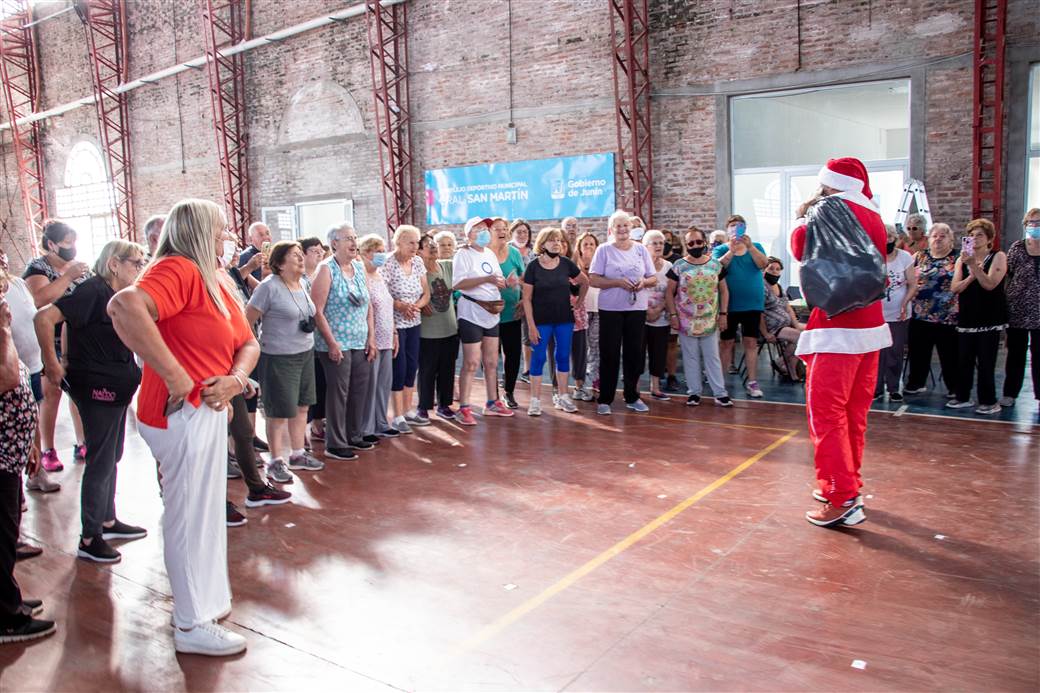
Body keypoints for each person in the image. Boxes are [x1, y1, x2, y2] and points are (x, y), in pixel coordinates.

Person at [108, 198, 259, 656]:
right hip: (182, 412)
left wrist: (235, 380)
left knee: (204, 513)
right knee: (189, 517)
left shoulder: (212, 277)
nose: (225, 237)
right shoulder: (179, 268)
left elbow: (247, 342)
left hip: (208, 409)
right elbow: (124, 306)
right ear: (197, 230)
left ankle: (206, 603)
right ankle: (192, 624)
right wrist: (177, 376)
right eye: (219, 229)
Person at [791, 157, 891, 528]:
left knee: (826, 413)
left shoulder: (827, 209)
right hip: (871, 326)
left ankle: (842, 496)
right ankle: (845, 482)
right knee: (854, 413)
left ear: (828, 183)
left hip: (836, 326)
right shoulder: (874, 215)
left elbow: (800, 248)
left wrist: (803, 216)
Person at [33, 240, 148, 563]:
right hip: (97, 386)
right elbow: (44, 318)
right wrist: (53, 363)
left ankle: (107, 520)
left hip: (116, 385)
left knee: (113, 453)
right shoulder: (93, 290)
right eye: (135, 262)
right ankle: (89, 537)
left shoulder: (117, 295)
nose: (139, 268)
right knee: (100, 459)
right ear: (113, 263)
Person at [0, 297, 55, 644]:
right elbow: (6, 378)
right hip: (0, 453)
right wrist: (4, 327)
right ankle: (6, 616)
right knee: (2, 534)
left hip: (10, 448)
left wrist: (29, 441)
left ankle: (10, 597)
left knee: (8, 529)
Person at [246, 241, 324, 477]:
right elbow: (245, 320)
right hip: (278, 358)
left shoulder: (302, 283)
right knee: (278, 411)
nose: (301, 258)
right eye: (294, 256)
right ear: (280, 263)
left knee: (302, 406)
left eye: (301, 254)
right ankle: (276, 461)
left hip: (304, 353)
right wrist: (254, 347)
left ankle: (298, 453)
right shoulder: (269, 287)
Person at [22, 220, 89, 472]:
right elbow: (38, 301)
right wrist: (68, 277)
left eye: (74, 243)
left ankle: (82, 442)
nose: (72, 248)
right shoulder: (37, 268)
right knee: (52, 394)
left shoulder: (79, 267)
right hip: (48, 341)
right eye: (67, 243)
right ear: (51, 244)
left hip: (76, 338)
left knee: (77, 392)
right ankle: (48, 450)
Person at [311, 224, 375, 458]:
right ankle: (335, 443)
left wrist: (372, 338)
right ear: (334, 243)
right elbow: (317, 310)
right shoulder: (326, 269)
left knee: (359, 390)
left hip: (360, 340)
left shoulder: (358, 267)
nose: (354, 242)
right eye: (348, 238)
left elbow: (368, 305)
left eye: (355, 237)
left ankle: (354, 435)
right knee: (339, 393)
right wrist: (331, 343)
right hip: (336, 342)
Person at [589, 210, 657, 414]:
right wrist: (617, 282)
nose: (622, 229)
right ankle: (605, 399)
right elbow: (593, 279)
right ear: (611, 229)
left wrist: (643, 282)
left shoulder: (641, 250)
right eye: (618, 225)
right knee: (609, 353)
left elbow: (653, 278)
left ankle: (632, 396)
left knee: (634, 354)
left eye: (625, 225)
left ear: (631, 227)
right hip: (610, 309)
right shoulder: (603, 250)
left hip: (636, 309)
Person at [0, 254, 55, 494]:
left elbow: (32, 316)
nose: (3, 261)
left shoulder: (17, 284)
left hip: (29, 365)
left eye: (3, 258)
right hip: (11, 369)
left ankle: (34, 472)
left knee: (32, 415)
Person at [452, 216, 514, 425]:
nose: (484, 232)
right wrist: (485, 279)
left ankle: (493, 402)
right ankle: (464, 407)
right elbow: (458, 283)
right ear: (469, 234)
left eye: (485, 228)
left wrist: (507, 283)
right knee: (471, 362)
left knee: (491, 361)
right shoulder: (463, 254)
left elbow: (497, 280)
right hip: (471, 311)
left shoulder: (489, 253)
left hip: (491, 312)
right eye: (478, 229)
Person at [666, 226, 732, 407]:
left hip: (710, 319)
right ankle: (694, 393)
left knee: (712, 356)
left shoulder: (715, 265)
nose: (695, 245)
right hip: (686, 320)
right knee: (690, 357)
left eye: (698, 242)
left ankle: (720, 392)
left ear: (704, 242)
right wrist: (673, 315)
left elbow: (724, 291)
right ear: (686, 245)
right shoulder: (678, 266)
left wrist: (723, 314)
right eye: (691, 243)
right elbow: (669, 292)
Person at [521, 228, 584, 416]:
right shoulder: (533, 267)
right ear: (542, 243)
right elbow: (526, 299)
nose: (556, 243)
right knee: (538, 358)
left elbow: (585, 282)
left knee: (563, 356)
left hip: (564, 319)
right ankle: (535, 400)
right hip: (541, 321)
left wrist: (578, 303)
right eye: (552, 240)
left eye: (558, 240)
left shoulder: (566, 264)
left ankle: (564, 396)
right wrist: (531, 326)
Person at [948, 218, 1007, 415]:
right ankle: (962, 396)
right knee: (963, 360)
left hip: (989, 318)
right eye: (971, 235)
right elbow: (955, 287)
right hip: (967, 316)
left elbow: (990, 284)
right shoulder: (961, 260)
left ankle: (989, 401)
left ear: (989, 238)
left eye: (979, 235)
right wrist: (970, 273)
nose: (975, 238)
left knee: (986, 361)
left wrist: (974, 266)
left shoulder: (998, 257)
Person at [712, 214, 768, 398]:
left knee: (750, 342)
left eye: (740, 225)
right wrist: (731, 250)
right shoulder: (720, 249)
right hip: (729, 304)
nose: (736, 228)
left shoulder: (756, 247)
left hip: (752, 303)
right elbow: (716, 269)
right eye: (733, 225)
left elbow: (763, 264)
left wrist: (750, 247)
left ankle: (752, 382)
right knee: (726, 342)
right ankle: (721, 384)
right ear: (728, 229)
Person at [380, 225, 430, 431]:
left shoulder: (418, 262)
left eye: (417, 242)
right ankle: (398, 415)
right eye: (410, 242)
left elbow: (426, 293)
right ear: (398, 242)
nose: (415, 246)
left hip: (414, 320)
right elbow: (381, 293)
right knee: (398, 368)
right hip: (394, 323)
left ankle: (409, 410)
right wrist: (400, 305)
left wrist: (414, 307)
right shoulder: (388, 263)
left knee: (412, 366)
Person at [904, 223, 959, 398]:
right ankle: (916, 383)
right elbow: (907, 278)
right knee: (918, 352)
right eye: (935, 236)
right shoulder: (919, 256)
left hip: (948, 315)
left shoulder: (957, 257)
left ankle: (954, 387)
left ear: (951, 239)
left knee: (949, 354)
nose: (938, 239)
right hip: (921, 313)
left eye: (943, 236)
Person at [358, 234, 399, 439]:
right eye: (378, 250)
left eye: (383, 250)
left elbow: (387, 306)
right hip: (372, 337)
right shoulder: (362, 275)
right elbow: (367, 308)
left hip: (386, 335)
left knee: (383, 383)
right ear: (366, 253)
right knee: (370, 384)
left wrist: (394, 332)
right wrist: (370, 337)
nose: (382, 254)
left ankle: (381, 422)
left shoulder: (380, 275)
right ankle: (366, 427)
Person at [1000, 209, 1040, 410]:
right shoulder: (1017, 248)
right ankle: (1010, 393)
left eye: (1038, 222)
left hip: (1039, 312)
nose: (1034, 226)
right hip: (1018, 309)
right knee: (1015, 354)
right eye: (1031, 223)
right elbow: (1009, 276)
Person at [417, 233, 458, 421]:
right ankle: (423, 407)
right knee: (427, 370)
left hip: (449, 328)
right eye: (427, 244)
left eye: (434, 243)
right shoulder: (416, 272)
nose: (433, 246)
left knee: (447, 369)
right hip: (428, 331)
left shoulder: (447, 266)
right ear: (418, 250)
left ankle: (444, 405)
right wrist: (419, 301)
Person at [875, 225, 917, 401]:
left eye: (889, 237)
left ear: (894, 238)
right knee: (877, 353)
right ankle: (875, 388)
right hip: (877, 314)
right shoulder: (873, 257)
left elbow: (912, 283)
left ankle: (893, 387)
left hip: (899, 313)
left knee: (895, 351)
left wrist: (905, 303)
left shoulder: (904, 257)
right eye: (883, 237)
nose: (887, 240)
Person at [489, 218, 525, 409]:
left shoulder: (514, 253)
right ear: (489, 232)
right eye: (497, 229)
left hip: (512, 313)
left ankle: (509, 392)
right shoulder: (483, 253)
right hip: (488, 315)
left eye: (505, 229)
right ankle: (492, 393)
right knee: (491, 357)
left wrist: (522, 300)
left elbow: (524, 278)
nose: (502, 232)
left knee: (513, 354)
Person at [300, 237, 328, 442]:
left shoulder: (324, 273)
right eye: (314, 250)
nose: (319, 254)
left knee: (322, 382)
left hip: (324, 337)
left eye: (321, 251)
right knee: (310, 385)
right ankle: (308, 427)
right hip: (307, 338)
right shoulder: (299, 278)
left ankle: (319, 420)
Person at [760, 257, 805, 380]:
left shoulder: (778, 286)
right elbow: (759, 313)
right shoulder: (761, 286)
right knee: (801, 338)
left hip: (785, 325)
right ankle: (781, 363)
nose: (775, 271)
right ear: (764, 269)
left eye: (778, 269)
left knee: (807, 333)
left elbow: (788, 307)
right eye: (771, 268)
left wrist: (796, 324)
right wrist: (765, 333)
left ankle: (788, 367)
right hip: (772, 326)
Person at [641, 230, 673, 400]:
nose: (659, 246)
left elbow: (672, 293)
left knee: (659, 353)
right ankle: (635, 388)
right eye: (655, 243)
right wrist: (647, 312)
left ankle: (656, 387)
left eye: (661, 243)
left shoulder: (668, 267)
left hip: (661, 318)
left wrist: (659, 309)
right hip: (641, 317)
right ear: (646, 246)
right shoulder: (640, 265)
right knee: (637, 353)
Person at [572, 232, 599, 401]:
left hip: (597, 310)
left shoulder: (601, 263)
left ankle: (596, 380)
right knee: (580, 350)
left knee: (596, 347)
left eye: (592, 244)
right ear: (580, 248)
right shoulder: (574, 265)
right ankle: (579, 384)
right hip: (580, 312)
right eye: (585, 244)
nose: (589, 247)